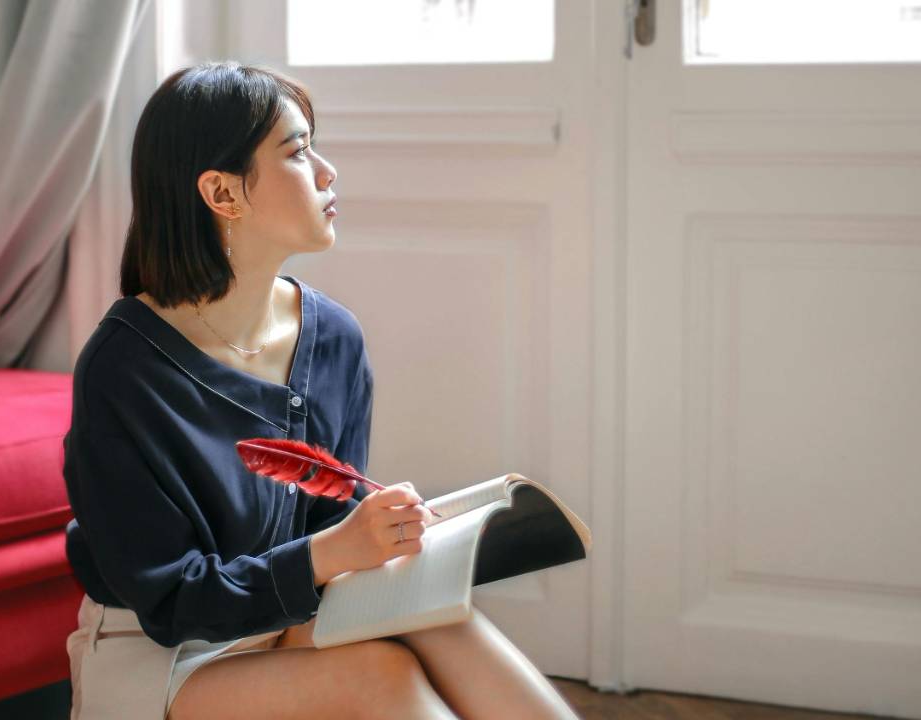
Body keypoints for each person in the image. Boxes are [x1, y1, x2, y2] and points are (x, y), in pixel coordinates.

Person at [62, 60, 580, 720]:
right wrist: (335, 551)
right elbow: (169, 601)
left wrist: (384, 537)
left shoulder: (332, 337)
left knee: (439, 618)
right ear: (222, 194)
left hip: (282, 613)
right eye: (298, 152)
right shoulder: (125, 369)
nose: (327, 172)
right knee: (376, 676)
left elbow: (328, 521)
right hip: (163, 653)